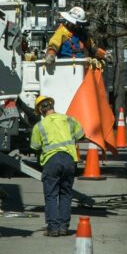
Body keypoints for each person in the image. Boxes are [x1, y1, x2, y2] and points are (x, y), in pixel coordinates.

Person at [30, 95, 85, 236]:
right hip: (69, 160)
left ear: (41, 111)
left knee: (51, 195)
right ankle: (63, 227)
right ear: (52, 106)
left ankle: (53, 228)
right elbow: (81, 135)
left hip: (51, 161)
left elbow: (34, 146)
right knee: (66, 194)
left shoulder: (39, 126)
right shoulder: (68, 119)